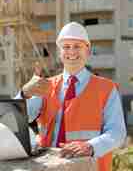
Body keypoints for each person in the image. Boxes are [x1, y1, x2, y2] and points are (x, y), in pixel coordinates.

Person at [22, 22, 126, 171]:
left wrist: (90, 146)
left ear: (88, 50)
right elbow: (15, 119)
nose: (71, 52)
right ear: (59, 52)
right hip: (48, 167)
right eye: (66, 46)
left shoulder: (106, 89)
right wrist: (24, 93)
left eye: (77, 46)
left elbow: (117, 132)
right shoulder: (45, 86)